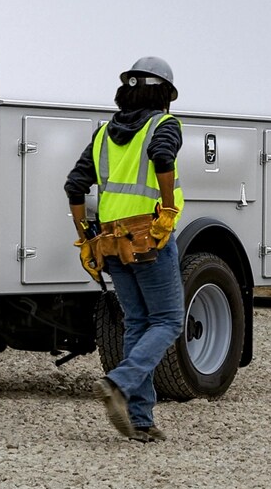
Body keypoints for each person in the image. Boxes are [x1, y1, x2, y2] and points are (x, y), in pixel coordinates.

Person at [65, 56, 184, 443]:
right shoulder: (163, 125)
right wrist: (166, 209)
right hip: (149, 237)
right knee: (167, 321)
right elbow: (163, 157)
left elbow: (75, 186)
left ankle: (140, 420)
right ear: (163, 93)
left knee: (137, 323)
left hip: (111, 241)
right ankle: (119, 382)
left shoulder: (103, 134)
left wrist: (85, 237)